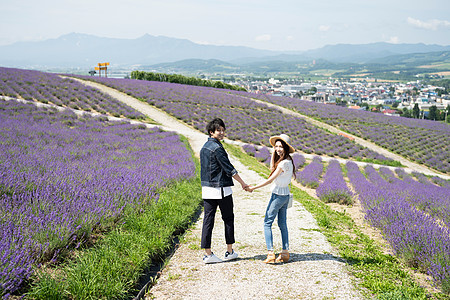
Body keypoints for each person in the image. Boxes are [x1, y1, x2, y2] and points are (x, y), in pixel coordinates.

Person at [200, 118, 249, 264]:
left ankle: (208, 254)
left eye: (223, 130)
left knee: (208, 220)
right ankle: (229, 251)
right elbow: (229, 169)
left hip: (207, 189)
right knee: (228, 218)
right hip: (221, 189)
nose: (221, 133)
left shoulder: (204, 147)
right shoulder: (217, 148)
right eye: (218, 130)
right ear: (211, 132)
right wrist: (243, 184)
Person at [248, 134, 295, 264]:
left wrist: (253, 187)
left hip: (278, 196)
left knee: (267, 223)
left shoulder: (283, 163)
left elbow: (270, 180)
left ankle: (270, 253)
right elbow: (272, 169)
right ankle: (285, 252)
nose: (278, 149)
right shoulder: (288, 161)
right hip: (285, 196)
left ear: (286, 148)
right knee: (282, 224)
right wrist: (274, 154)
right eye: (276, 146)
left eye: (281, 147)